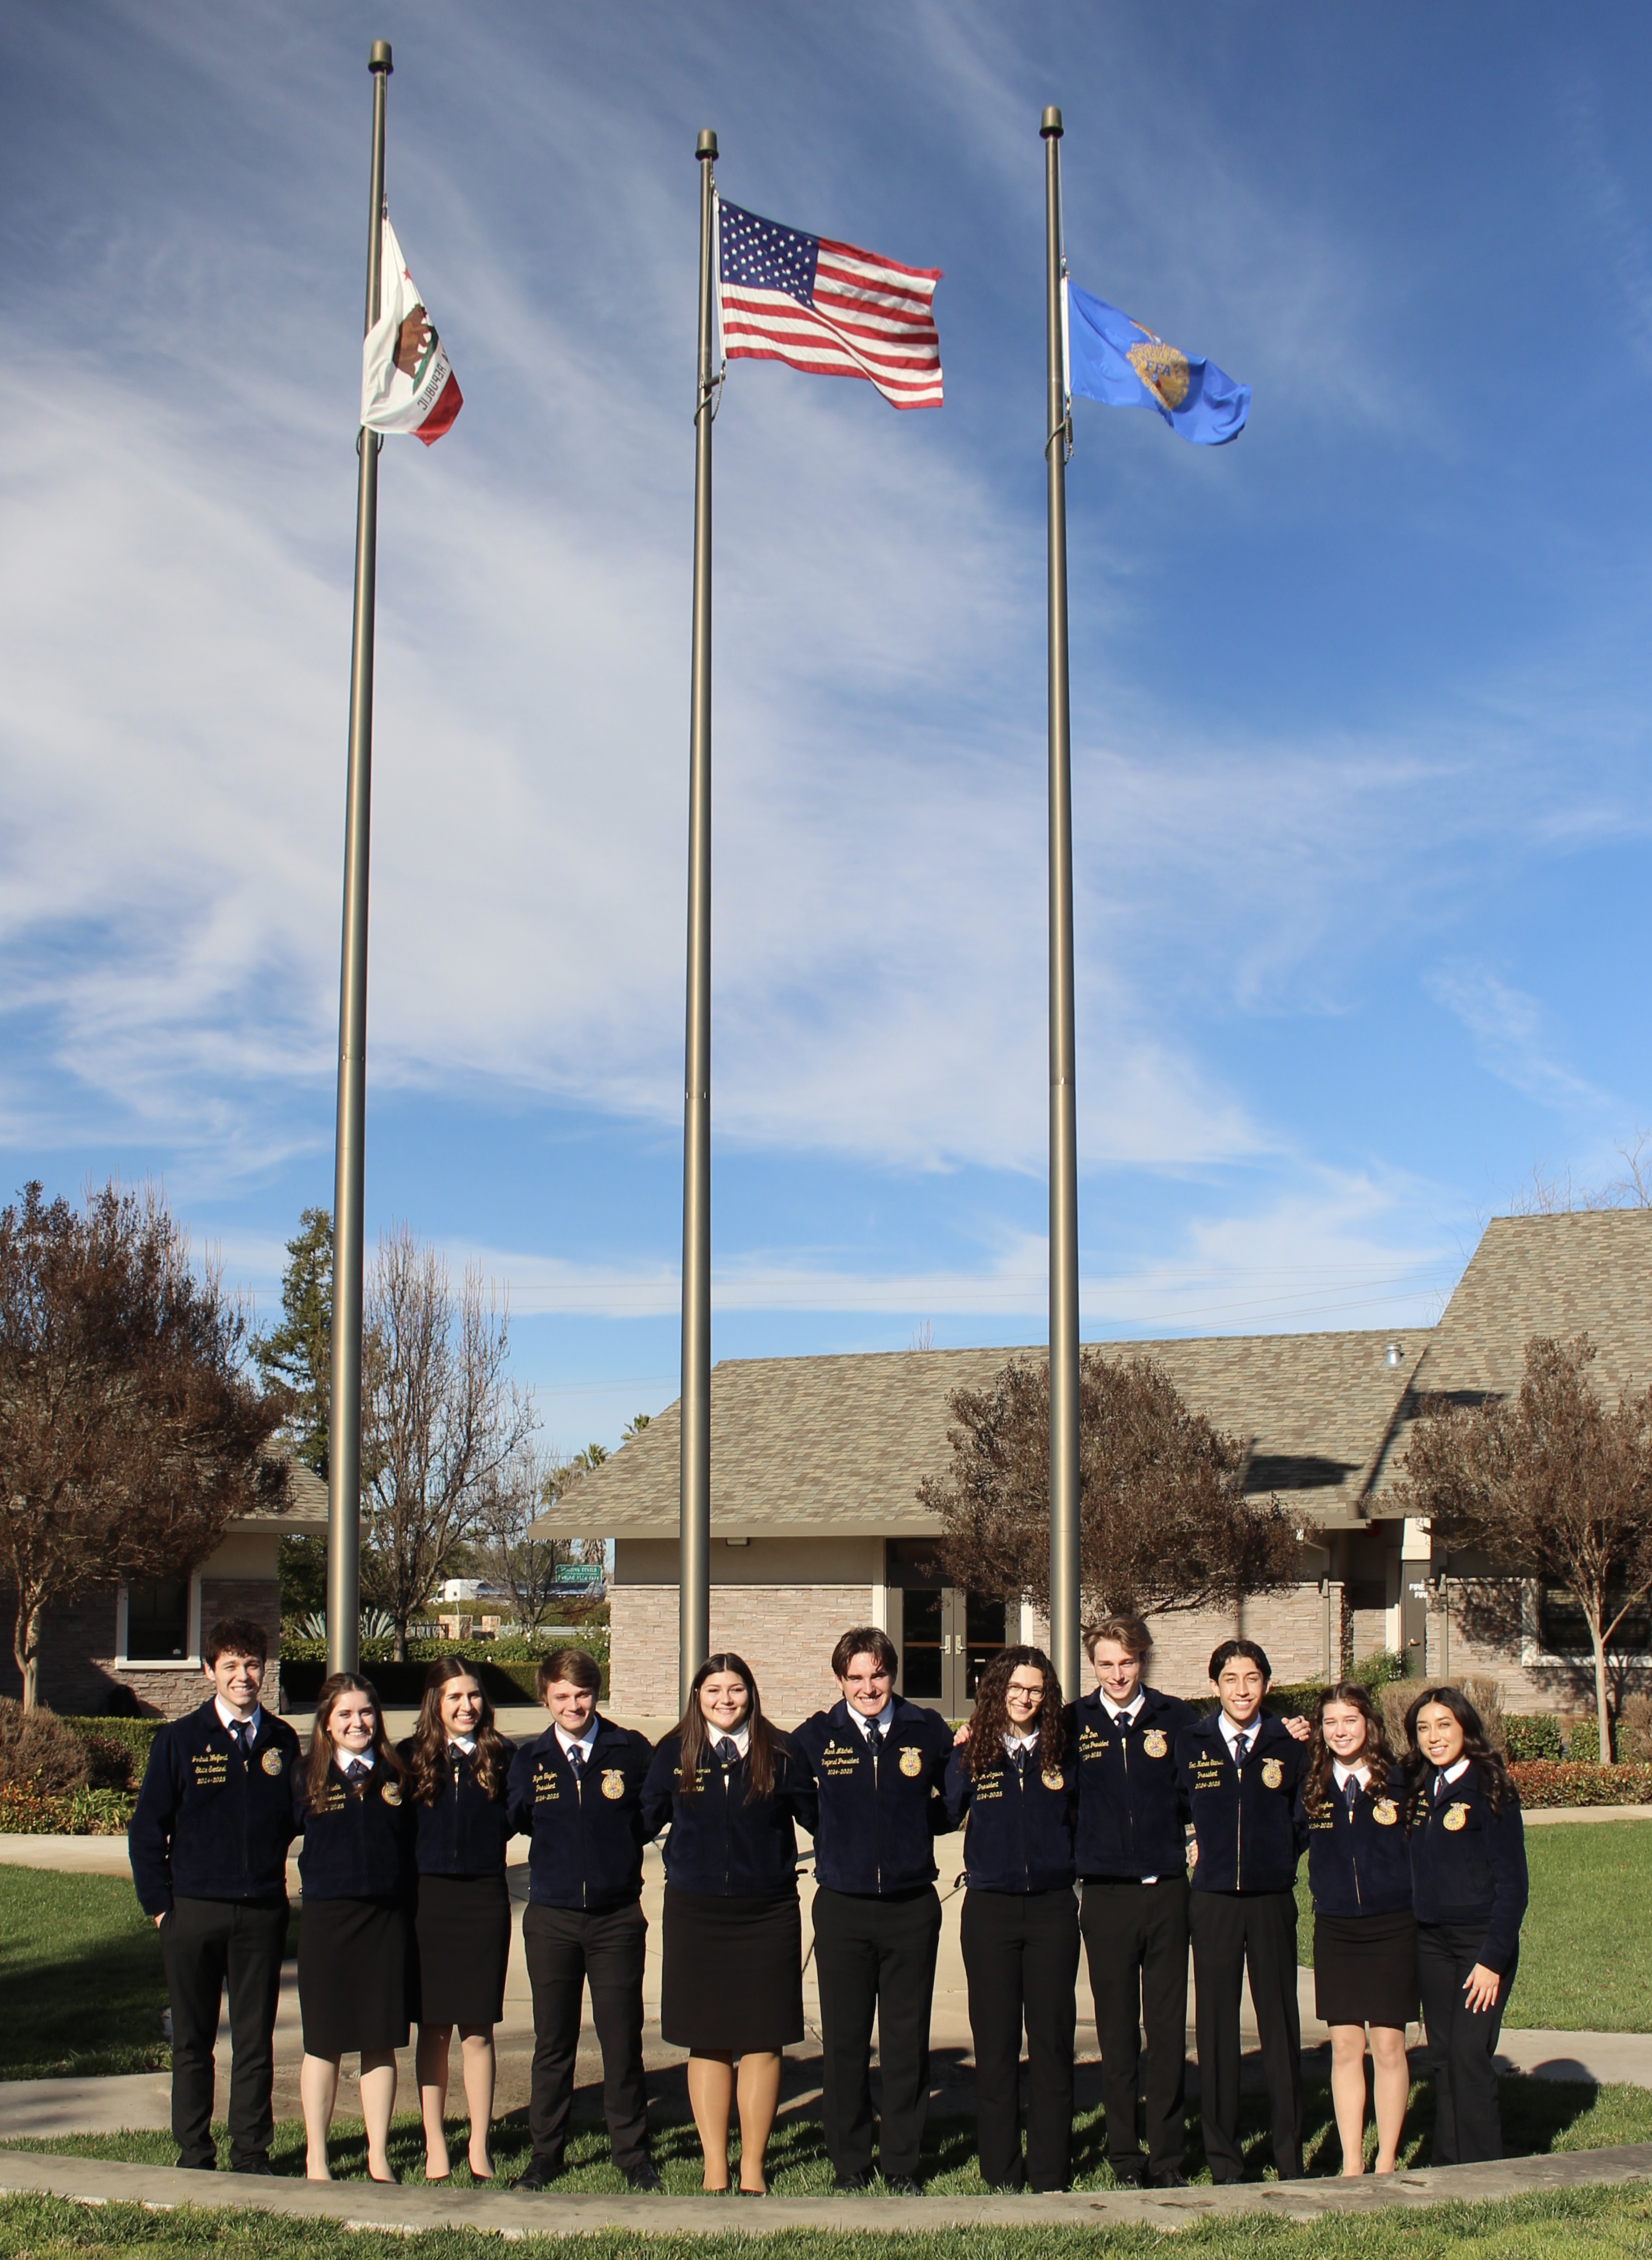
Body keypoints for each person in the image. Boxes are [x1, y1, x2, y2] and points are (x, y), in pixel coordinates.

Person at [128, 1617, 302, 2176]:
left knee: (254, 2043)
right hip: (192, 1912)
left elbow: (298, 1818)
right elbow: (147, 1831)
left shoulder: (282, 1741)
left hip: (260, 1911)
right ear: (210, 1672)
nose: (243, 1676)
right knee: (193, 2041)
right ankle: (195, 2153)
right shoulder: (178, 1741)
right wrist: (161, 1909)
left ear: (264, 1668)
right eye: (230, 1665)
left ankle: (251, 2152)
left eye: (251, 1664)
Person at [641, 1653, 817, 2196]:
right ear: (697, 1696)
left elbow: (822, 1815)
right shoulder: (673, 1752)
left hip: (766, 1912)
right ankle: (715, 2165)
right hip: (696, 1913)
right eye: (713, 1689)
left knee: (764, 2040)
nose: (725, 1699)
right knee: (707, 2040)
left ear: (751, 1694)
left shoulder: (782, 1750)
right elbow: (639, 1818)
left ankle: (753, 2167)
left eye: (735, 1689)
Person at [792, 1626, 958, 2194]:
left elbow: (954, 1795)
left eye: (878, 1675)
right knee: (844, 2040)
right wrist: (835, 1834)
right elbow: (799, 1798)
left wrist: (918, 1828)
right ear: (839, 1681)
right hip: (843, 1907)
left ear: (892, 1674)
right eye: (856, 1678)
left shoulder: (925, 1728)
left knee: (906, 2038)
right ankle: (850, 2162)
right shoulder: (817, 1736)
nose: (869, 1688)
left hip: (912, 1906)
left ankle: (903, 2163)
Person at [506, 1646, 661, 2192]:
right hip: (551, 1917)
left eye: (583, 1693)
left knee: (622, 2037)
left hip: (616, 1916)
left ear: (597, 1693)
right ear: (545, 1696)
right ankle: (546, 2152)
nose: (574, 1705)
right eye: (562, 1696)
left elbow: (648, 1817)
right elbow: (517, 1818)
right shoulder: (529, 1760)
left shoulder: (630, 1750)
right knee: (554, 2041)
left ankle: (631, 2152)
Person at [943, 1646, 1079, 2193]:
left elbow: (1087, 1817)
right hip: (990, 1912)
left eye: (1036, 1690)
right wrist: (956, 1754)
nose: (1025, 1698)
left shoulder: (1063, 1751)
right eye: (1016, 1688)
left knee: (1051, 2043)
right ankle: (1000, 2172)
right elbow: (946, 1811)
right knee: (995, 2046)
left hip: (1051, 1910)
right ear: (996, 1691)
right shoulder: (972, 1750)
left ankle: (1050, 2172)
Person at [1072, 1614, 1197, 2190]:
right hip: (1105, 1896)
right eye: (1106, 1663)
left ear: (1143, 1660)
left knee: (1167, 2029)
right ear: (1092, 1665)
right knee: (1117, 2033)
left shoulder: (1176, 1718)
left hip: (1167, 1891)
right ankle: (1125, 2155)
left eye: (1127, 1662)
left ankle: (1168, 2154)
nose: (1117, 1674)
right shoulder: (1075, 1723)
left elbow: (1208, 1786)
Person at [1177, 1637, 1308, 2184]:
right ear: (1214, 1687)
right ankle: (1224, 2159)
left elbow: (1304, 1818)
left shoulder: (1289, 1744)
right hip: (1211, 1903)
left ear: (1267, 1684)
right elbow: (1172, 1807)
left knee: (1279, 2028)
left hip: (1270, 1899)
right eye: (1229, 1679)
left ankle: (1288, 2157)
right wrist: (1189, 1837)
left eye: (1251, 1678)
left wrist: (1276, 1854)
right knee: (1216, 2030)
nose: (1241, 1689)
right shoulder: (1191, 1743)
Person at [295, 1673, 415, 2183]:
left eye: (365, 1712)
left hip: (384, 1921)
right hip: (327, 1921)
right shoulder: (304, 1777)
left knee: (379, 2038)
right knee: (323, 2041)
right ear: (326, 1722)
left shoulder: (396, 1774)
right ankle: (317, 2156)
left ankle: (378, 2153)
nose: (357, 1722)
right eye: (344, 1714)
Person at [1404, 1684, 1528, 2166]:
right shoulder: (1416, 1785)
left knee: (1469, 2056)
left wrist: (1493, 1960)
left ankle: (1481, 2172)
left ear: (1464, 1728)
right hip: (1431, 1942)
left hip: (1480, 1945)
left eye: (1443, 1726)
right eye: (1422, 1729)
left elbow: (1513, 1886)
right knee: (1441, 2056)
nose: (1433, 1738)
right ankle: (1446, 2161)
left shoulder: (1490, 1785)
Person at [402, 1659, 515, 2183]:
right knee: (435, 2031)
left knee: (477, 2030)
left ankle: (478, 2143)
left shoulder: (503, 1757)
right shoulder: (406, 1760)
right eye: (454, 1698)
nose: (466, 1707)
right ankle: (434, 2145)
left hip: (484, 1901)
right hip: (428, 1903)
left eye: (473, 1697)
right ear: (435, 1704)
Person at [1298, 1682, 1415, 2176]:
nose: (1340, 1730)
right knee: (1346, 2047)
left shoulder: (1399, 1782)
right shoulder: (1313, 1786)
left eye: (1349, 1719)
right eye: (1330, 1722)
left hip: (1393, 1926)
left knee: (1388, 2046)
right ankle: (1350, 2163)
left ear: (1368, 1724)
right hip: (1336, 1929)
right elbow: (1276, 1839)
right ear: (1320, 1731)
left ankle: (1385, 2159)